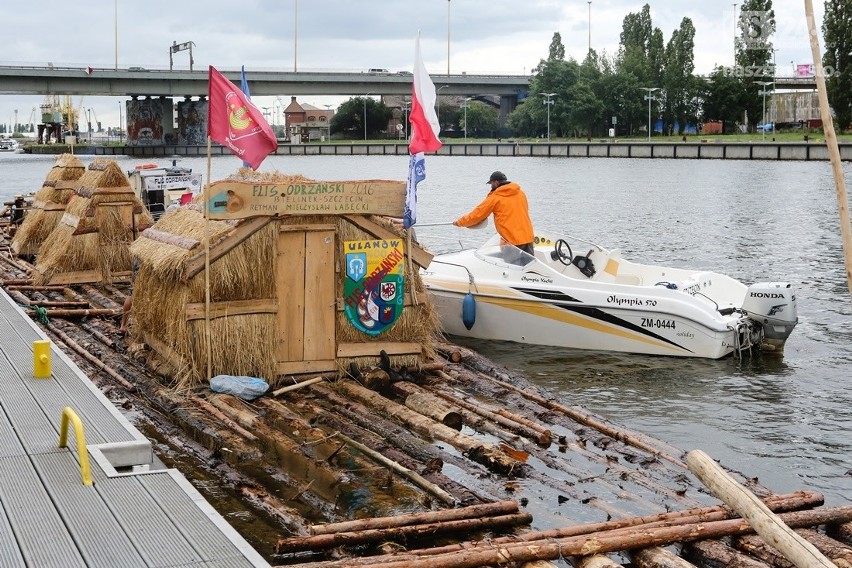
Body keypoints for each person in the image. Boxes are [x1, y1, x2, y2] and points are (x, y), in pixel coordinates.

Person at [453, 171, 535, 257]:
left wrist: (459, 222)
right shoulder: (521, 193)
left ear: (496, 182)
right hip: (528, 238)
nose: (491, 186)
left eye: (491, 183)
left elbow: (476, 215)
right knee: (528, 268)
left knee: (511, 268)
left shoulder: (495, 198)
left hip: (512, 241)